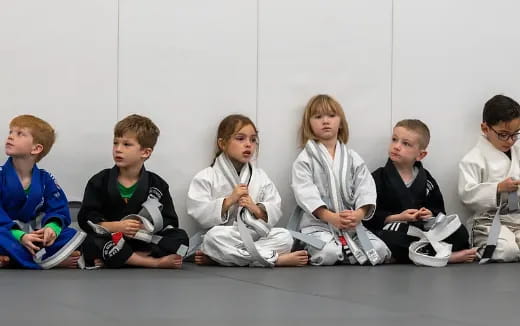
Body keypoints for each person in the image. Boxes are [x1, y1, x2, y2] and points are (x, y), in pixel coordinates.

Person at [187, 114, 308, 267]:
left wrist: (255, 208)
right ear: (222, 144)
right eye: (240, 138)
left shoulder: (260, 176)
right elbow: (199, 212)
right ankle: (275, 259)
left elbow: (274, 206)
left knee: (285, 237)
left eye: (253, 140)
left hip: (255, 234)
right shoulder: (206, 176)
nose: (248, 144)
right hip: (228, 234)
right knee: (212, 238)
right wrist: (229, 200)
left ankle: (220, 258)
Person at [291, 94, 390, 266]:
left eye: (331, 115)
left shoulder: (352, 157)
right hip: (318, 224)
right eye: (318, 117)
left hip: (350, 224)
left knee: (379, 251)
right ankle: (320, 246)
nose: (325, 121)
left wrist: (358, 214)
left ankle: (346, 249)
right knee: (328, 253)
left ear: (341, 122)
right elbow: (304, 193)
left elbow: (365, 188)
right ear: (309, 124)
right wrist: (330, 217)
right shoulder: (305, 159)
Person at [78, 114, 188, 269]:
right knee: (91, 241)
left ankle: (123, 258)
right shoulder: (100, 181)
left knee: (180, 238)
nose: (118, 149)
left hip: (143, 241)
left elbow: (170, 222)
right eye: (115, 143)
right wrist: (116, 226)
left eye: (126, 144)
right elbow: (86, 218)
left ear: (145, 152)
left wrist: (146, 228)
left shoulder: (157, 184)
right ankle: (150, 262)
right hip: (112, 238)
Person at [365, 119, 476, 265]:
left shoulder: (427, 179)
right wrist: (397, 217)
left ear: (420, 155)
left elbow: (439, 212)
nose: (396, 146)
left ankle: (427, 252)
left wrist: (429, 215)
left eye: (406, 144)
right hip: (397, 230)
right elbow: (369, 216)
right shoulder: (378, 178)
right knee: (387, 238)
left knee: (460, 231)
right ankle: (445, 256)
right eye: (394, 140)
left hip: (424, 231)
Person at [0, 114, 85, 269]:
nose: (11, 137)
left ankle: (11, 259)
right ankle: (50, 259)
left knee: (70, 235)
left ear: (36, 148)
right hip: (7, 232)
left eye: (20, 134)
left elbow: (58, 209)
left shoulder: (46, 179)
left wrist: (51, 229)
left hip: (33, 235)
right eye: (11, 132)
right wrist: (20, 236)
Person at [459, 94, 520, 262]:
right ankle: (482, 247)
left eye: (515, 134)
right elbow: (467, 195)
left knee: (513, 249)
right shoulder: (472, 159)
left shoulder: (518, 151)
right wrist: (498, 188)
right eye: (503, 134)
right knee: (507, 251)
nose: (510, 140)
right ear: (485, 128)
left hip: (516, 218)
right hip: (487, 221)